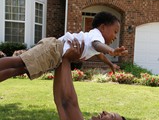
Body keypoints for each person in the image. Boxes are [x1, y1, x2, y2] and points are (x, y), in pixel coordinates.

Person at [0, 39, 128, 120]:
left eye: (111, 116)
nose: (104, 111)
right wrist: (60, 62)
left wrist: (67, 60)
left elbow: (69, 102)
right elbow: (60, 102)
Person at [0, 11, 128, 82]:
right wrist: (111, 51)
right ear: (103, 27)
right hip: (55, 49)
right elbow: (98, 45)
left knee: (22, 69)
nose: (115, 36)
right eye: (115, 31)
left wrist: (110, 64)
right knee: (19, 62)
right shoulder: (97, 36)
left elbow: (99, 54)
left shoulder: (94, 40)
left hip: (55, 57)